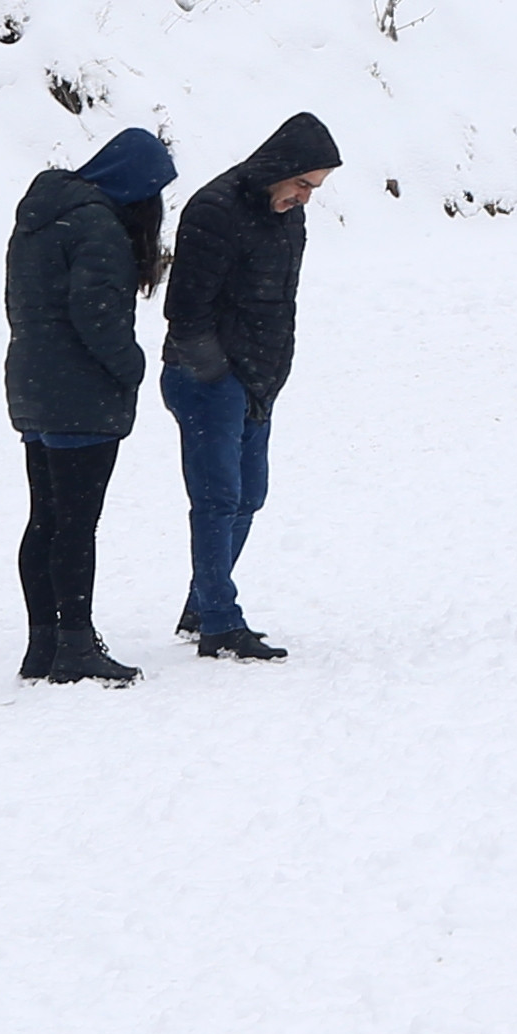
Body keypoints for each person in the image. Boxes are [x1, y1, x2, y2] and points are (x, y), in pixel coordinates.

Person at [159, 114, 340, 661]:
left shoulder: (287, 218)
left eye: (315, 189)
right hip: (208, 377)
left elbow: (278, 301)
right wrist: (218, 373)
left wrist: (266, 374)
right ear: (278, 169)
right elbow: (184, 310)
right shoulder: (215, 210)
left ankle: (201, 602)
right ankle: (218, 622)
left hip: (259, 377)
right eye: (302, 184)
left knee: (249, 495)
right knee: (218, 500)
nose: (305, 198)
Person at [3, 127, 177, 686]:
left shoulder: (40, 217)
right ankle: (76, 645)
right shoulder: (99, 225)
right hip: (81, 396)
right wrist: (132, 367)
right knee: (78, 524)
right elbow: (96, 315)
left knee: (46, 519)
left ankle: (42, 646)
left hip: (33, 385)